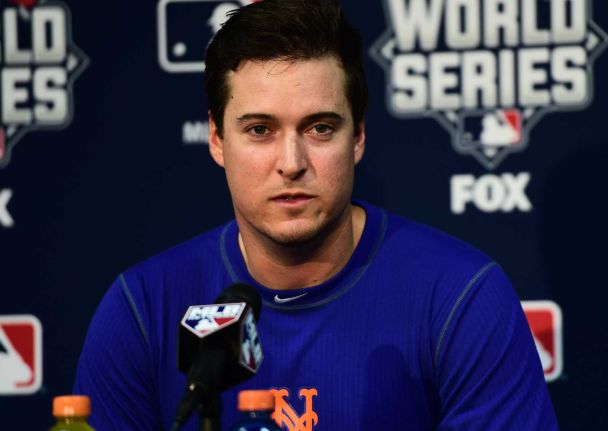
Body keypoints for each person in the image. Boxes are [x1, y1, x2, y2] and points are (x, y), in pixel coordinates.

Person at [74, 1, 559, 429]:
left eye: (320, 127)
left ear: (359, 136)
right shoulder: (141, 311)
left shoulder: (460, 299)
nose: (291, 162)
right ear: (218, 140)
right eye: (260, 129)